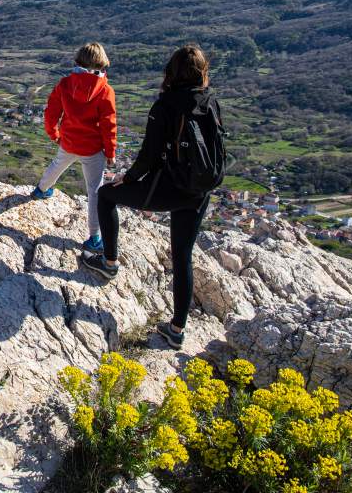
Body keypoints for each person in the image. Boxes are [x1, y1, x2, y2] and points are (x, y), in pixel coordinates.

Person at [82, 44, 222, 351]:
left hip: (169, 187)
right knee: (182, 255)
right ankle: (176, 330)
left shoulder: (165, 106)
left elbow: (148, 157)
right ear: (202, 72)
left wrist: (126, 178)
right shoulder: (209, 101)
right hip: (199, 190)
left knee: (106, 195)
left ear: (171, 72)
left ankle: (109, 261)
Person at [30, 42, 118, 255]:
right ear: (102, 63)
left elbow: (51, 112)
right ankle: (95, 238)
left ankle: (41, 190)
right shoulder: (105, 91)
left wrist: (55, 134)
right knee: (94, 191)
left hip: (68, 141)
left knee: (57, 164)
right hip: (92, 148)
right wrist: (111, 152)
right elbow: (109, 124)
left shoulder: (65, 84)